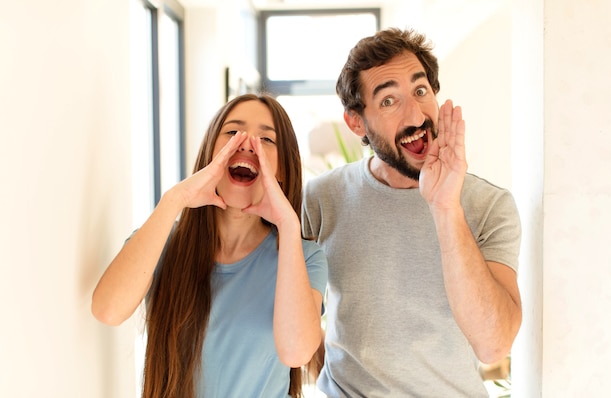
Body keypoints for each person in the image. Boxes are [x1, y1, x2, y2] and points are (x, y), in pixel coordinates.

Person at [301, 28, 522, 397]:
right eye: (389, 100)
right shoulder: (321, 199)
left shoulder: (489, 206)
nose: (417, 115)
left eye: (421, 92)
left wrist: (445, 206)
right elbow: (292, 322)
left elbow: (494, 345)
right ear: (357, 122)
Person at [92, 94, 328, 398]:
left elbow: (296, 352)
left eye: (266, 139)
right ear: (210, 154)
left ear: (281, 170)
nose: (247, 143)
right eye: (233, 132)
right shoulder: (164, 243)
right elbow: (108, 310)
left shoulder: (305, 258)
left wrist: (288, 224)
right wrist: (174, 199)